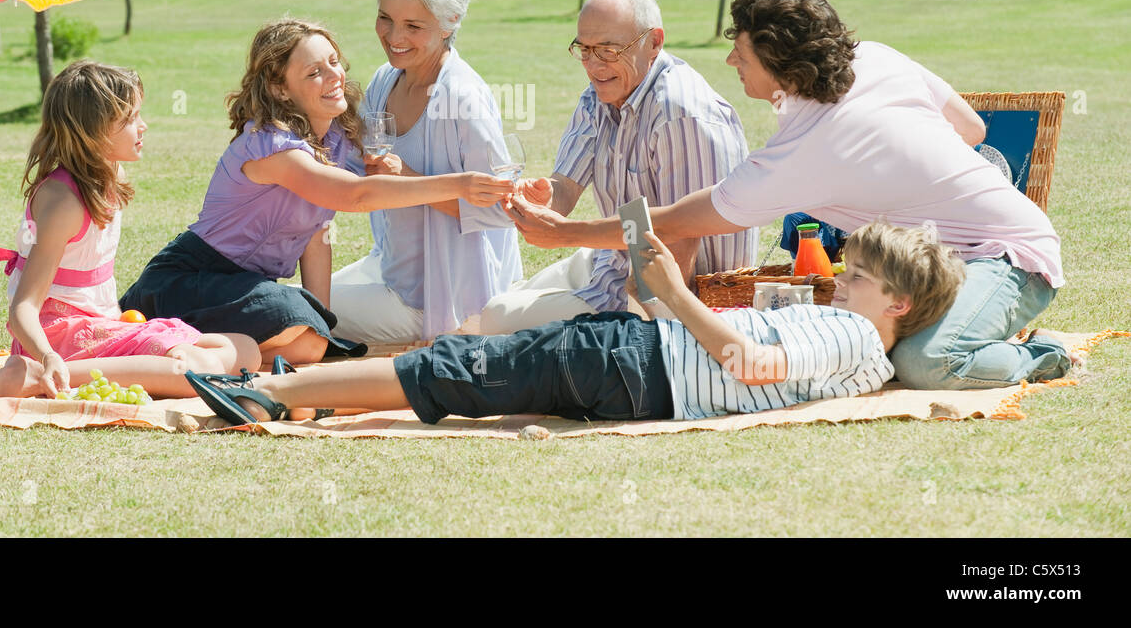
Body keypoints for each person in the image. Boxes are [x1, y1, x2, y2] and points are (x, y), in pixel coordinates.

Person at [508, 0, 1070, 390]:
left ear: (781, 68)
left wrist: (566, 234)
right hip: (928, 265)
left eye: (743, 52)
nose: (729, 59)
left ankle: (1040, 356)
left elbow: (678, 220)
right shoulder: (874, 57)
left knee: (925, 363)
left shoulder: (807, 149)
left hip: (1008, 255)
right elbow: (971, 128)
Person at [183, 221, 962, 425]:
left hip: (630, 365)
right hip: (639, 363)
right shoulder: (868, 354)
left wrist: (672, 291)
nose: (841, 282)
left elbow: (744, 362)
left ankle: (272, 392)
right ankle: (293, 389)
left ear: (896, 304)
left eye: (857, 276)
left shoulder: (854, 334)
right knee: (459, 365)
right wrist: (659, 293)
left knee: (453, 368)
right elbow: (736, 360)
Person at [120, 19, 514, 366]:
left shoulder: (338, 140)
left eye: (334, 62)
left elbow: (316, 237)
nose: (334, 75)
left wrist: (322, 321)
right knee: (298, 324)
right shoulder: (270, 145)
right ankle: (169, 342)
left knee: (311, 336)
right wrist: (461, 183)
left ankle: (201, 350)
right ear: (281, 88)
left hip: (245, 286)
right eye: (314, 73)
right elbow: (357, 196)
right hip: (191, 278)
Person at [468, 0, 756, 334]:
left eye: (608, 50)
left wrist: (638, 336)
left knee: (496, 317)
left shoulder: (680, 114)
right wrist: (546, 197)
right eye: (584, 49)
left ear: (654, 42)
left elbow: (678, 248)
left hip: (671, 294)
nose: (592, 65)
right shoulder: (601, 93)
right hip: (613, 260)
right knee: (492, 305)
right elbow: (565, 188)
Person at [0, 60, 261, 400]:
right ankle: (35, 374)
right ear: (92, 130)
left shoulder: (112, 175)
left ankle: (63, 372)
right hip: (57, 338)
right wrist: (47, 355)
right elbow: (23, 307)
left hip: (99, 324)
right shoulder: (63, 202)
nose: (143, 126)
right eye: (130, 119)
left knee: (246, 350)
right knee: (192, 370)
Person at [328, 0, 522, 341]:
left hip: (442, 302)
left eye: (413, 26)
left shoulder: (463, 99)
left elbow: (502, 210)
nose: (394, 37)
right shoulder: (386, 80)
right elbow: (352, 165)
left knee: (295, 310)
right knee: (290, 299)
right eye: (386, 18)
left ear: (450, 23)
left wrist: (408, 179)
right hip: (389, 269)